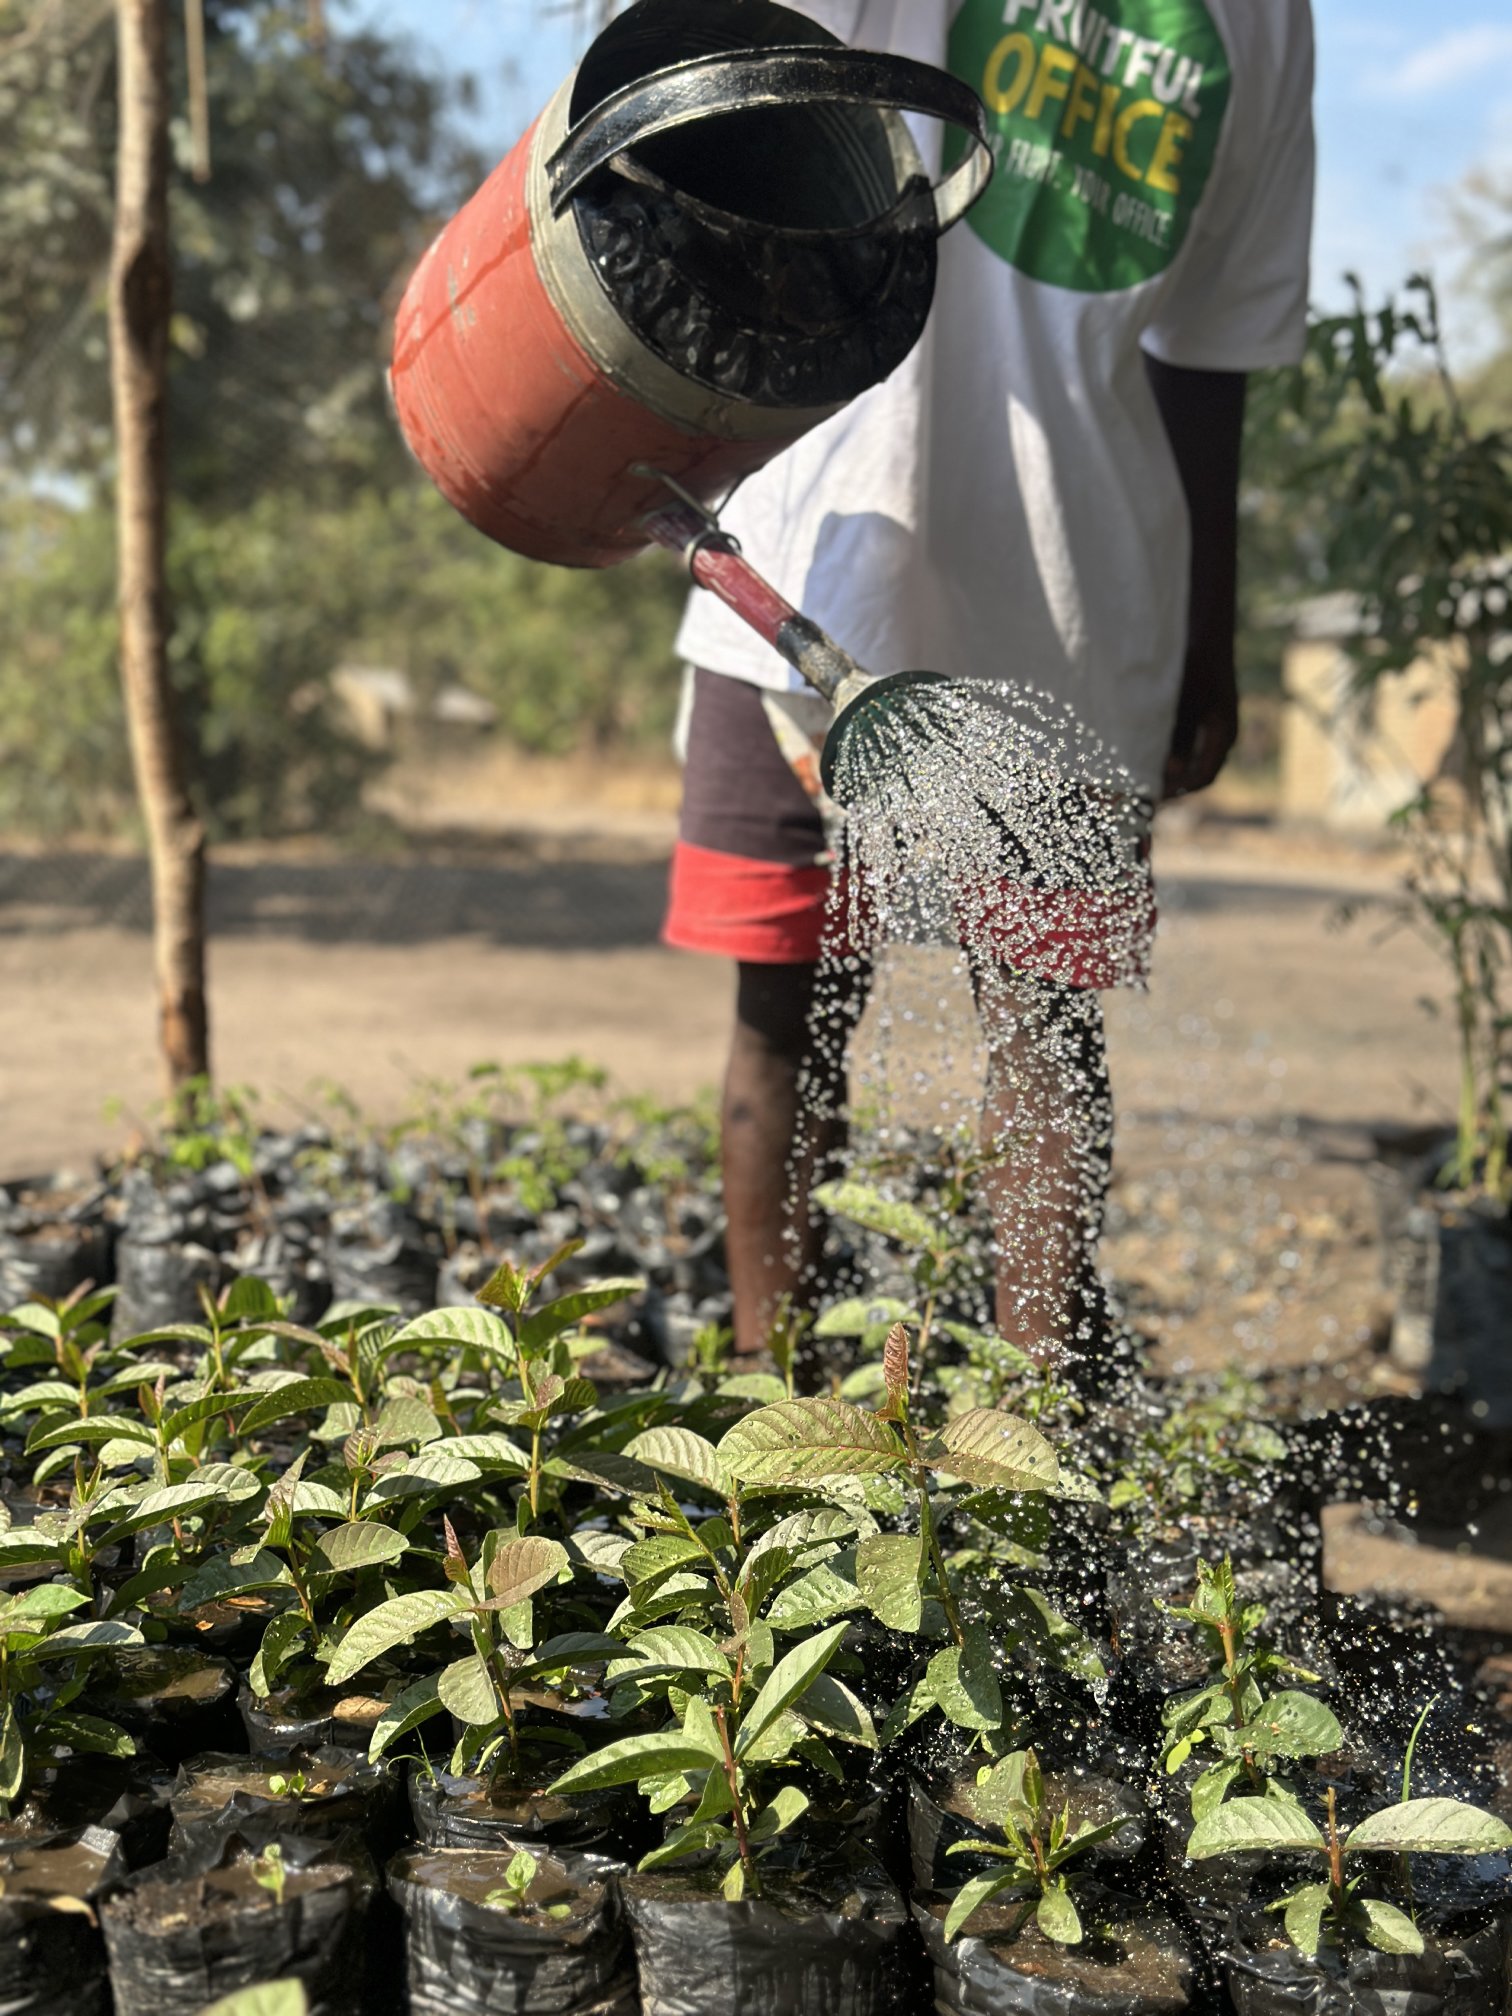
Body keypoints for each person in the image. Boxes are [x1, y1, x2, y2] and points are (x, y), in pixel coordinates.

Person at [662, 0, 1316, 1371]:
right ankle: (785, 1426)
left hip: (984, 579)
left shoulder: (1262, 15)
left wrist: (1210, 631)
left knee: (981, 1044)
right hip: (830, 563)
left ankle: (1026, 1447)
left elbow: (1214, 342)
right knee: (819, 1024)